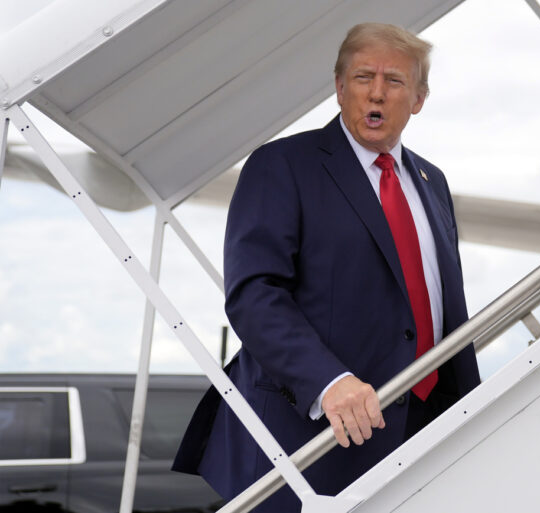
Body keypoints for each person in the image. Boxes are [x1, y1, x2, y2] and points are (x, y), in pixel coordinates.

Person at [173, 22, 480, 512]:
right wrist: (327, 381)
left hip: (420, 440)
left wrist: (471, 410)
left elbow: (442, 310)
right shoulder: (282, 166)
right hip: (307, 444)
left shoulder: (431, 181)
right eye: (362, 77)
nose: (376, 92)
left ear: (419, 98)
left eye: (394, 81)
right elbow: (254, 293)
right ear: (339, 87)